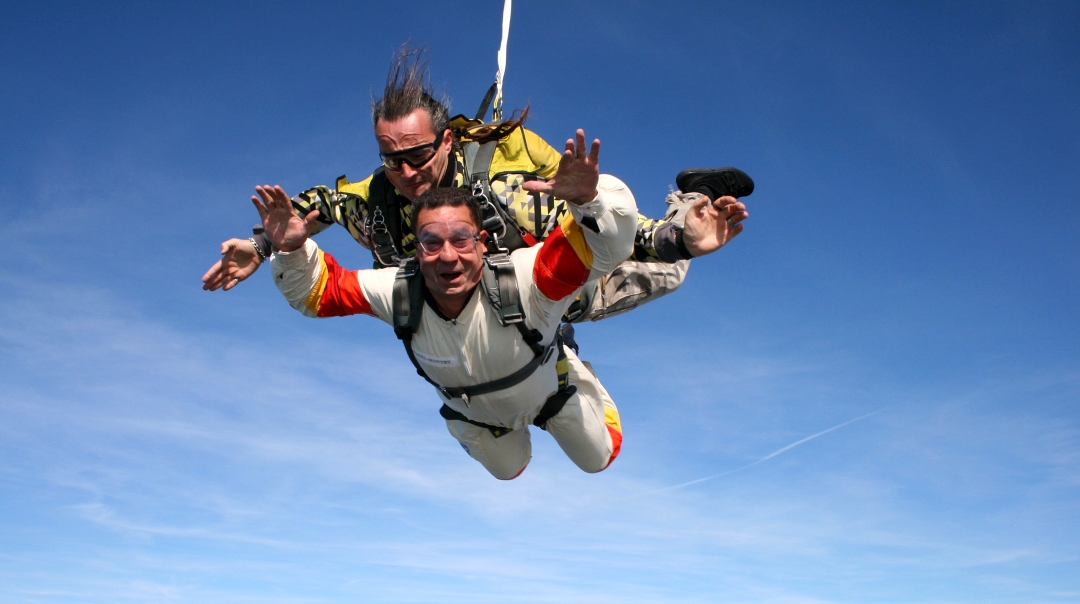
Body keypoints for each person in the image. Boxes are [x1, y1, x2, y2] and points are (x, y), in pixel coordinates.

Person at [261, 130, 748, 479]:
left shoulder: (519, 233)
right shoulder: (393, 258)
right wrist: (276, 245)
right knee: (508, 469)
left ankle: (689, 198)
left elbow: (608, 245)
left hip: (556, 297)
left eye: (461, 239)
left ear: (483, 240)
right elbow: (318, 280)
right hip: (484, 383)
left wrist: (611, 208)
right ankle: (501, 405)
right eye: (430, 242)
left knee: (599, 450)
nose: (447, 255)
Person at [202, 48, 753, 327]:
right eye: (389, 160)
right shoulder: (378, 199)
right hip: (481, 321)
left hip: (554, 284)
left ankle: (690, 195)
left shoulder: (506, 191)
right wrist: (264, 244)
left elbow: (613, 232)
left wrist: (679, 238)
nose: (406, 173)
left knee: (668, 274)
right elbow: (317, 205)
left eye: (417, 155)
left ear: (445, 142)